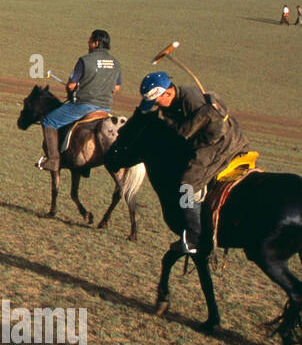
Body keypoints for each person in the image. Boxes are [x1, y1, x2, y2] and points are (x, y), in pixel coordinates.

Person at [138, 70, 250, 254]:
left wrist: (185, 136)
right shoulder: (170, 104)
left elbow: (211, 130)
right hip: (204, 142)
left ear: (168, 92)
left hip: (220, 143)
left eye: (157, 100)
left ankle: (194, 236)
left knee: (187, 183)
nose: (157, 105)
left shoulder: (192, 100)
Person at [38, 29, 122, 171]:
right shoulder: (115, 62)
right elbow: (117, 88)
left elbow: (71, 86)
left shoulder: (85, 60)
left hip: (84, 105)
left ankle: (53, 160)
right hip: (105, 108)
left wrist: (75, 89)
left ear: (96, 43)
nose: (88, 43)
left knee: (49, 120)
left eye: (90, 41)